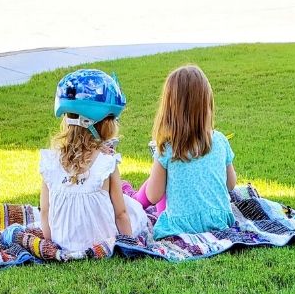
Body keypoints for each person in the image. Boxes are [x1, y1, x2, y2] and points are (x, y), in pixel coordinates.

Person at [39, 69, 148, 253]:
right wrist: (130, 245)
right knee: (134, 209)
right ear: (100, 123)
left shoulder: (51, 162)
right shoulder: (106, 163)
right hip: (101, 238)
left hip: (62, 242)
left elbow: (44, 211)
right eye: (112, 119)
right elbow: (121, 214)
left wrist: (51, 244)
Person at [126, 65, 238, 239]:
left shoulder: (168, 148)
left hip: (180, 226)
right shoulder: (220, 140)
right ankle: (133, 198)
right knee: (166, 178)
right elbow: (231, 184)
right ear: (207, 103)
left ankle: (132, 200)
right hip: (220, 221)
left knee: (160, 182)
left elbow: (154, 195)